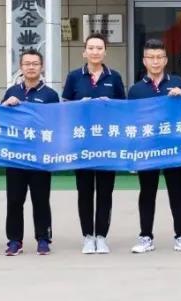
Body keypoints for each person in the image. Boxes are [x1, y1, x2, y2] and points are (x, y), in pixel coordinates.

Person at [127, 39, 181, 255]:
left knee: (177, 193)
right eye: (151, 57)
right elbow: (131, 121)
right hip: (147, 149)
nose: (155, 62)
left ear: (165, 60)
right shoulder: (136, 90)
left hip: (174, 148)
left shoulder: (177, 83)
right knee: (147, 193)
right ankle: (145, 236)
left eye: (159, 57)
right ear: (144, 61)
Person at [61, 33, 126, 254]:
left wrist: (111, 105)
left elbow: (123, 108)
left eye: (99, 48)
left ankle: (102, 236)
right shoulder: (74, 77)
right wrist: (80, 104)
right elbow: (64, 107)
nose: (95, 52)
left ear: (105, 52)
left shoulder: (114, 77)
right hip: (83, 144)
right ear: (84, 52)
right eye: (91, 48)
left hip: (107, 143)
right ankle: (88, 236)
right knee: (85, 191)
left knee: (105, 192)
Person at [1, 49, 60, 256]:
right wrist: (5, 106)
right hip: (16, 156)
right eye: (27, 63)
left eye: (35, 63)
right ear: (21, 67)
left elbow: (56, 124)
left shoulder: (50, 95)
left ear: (41, 67)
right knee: (14, 200)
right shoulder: (11, 92)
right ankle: (14, 240)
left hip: (40, 157)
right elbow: (0, 120)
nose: (31, 67)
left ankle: (43, 238)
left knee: (41, 199)